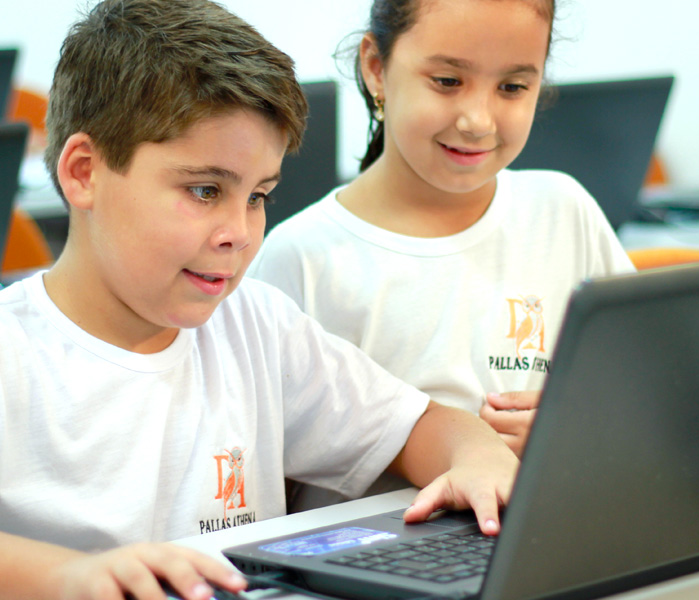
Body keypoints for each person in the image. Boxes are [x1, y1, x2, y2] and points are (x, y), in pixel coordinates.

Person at [0, 1, 518, 599]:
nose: (239, 233)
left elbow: (420, 427)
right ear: (85, 172)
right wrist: (69, 576)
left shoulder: (257, 326)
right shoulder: (15, 353)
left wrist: (477, 456)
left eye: (257, 197)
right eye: (205, 190)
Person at [247, 0, 635, 460]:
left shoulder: (564, 211)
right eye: (448, 81)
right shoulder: (302, 259)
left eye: (512, 87)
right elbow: (262, 467)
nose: (478, 121)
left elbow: (648, 394)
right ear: (376, 68)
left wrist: (580, 432)